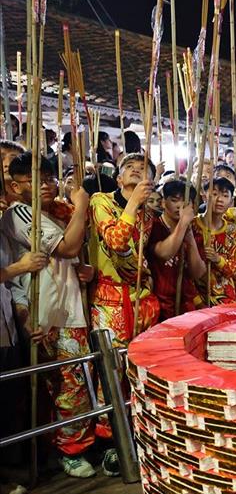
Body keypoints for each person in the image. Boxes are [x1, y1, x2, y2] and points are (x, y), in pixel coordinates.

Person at [1, 152, 94, 477]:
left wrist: (85, 269)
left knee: (75, 382)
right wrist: (81, 205)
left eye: (49, 178)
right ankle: (68, 450)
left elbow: (73, 256)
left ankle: (71, 446)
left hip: (69, 308)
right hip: (45, 312)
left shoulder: (55, 211)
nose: (45, 185)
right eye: (35, 180)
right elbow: (66, 248)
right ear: (15, 186)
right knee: (64, 386)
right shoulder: (19, 213)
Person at [89, 152, 160, 339]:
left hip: (143, 298)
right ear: (119, 179)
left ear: (151, 183)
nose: (135, 169)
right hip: (110, 300)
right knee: (114, 355)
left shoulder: (149, 215)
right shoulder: (101, 200)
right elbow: (116, 241)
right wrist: (134, 201)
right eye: (129, 166)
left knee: (142, 355)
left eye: (142, 168)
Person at [148, 177, 205, 321]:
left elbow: (198, 272)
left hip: (186, 304)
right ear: (163, 202)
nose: (180, 206)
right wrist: (182, 224)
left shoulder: (195, 230)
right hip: (158, 304)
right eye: (174, 200)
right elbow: (164, 253)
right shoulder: (154, 226)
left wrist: (189, 236)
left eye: (186, 202)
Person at [195, 176, 236, 306]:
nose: (219, 199)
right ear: (204, 196)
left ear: (231, 201)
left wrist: (218, 260)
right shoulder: (192, 226)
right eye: (214, 194)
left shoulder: (234, 232)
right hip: (195, 296)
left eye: (225, 196)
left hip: (224, 299)